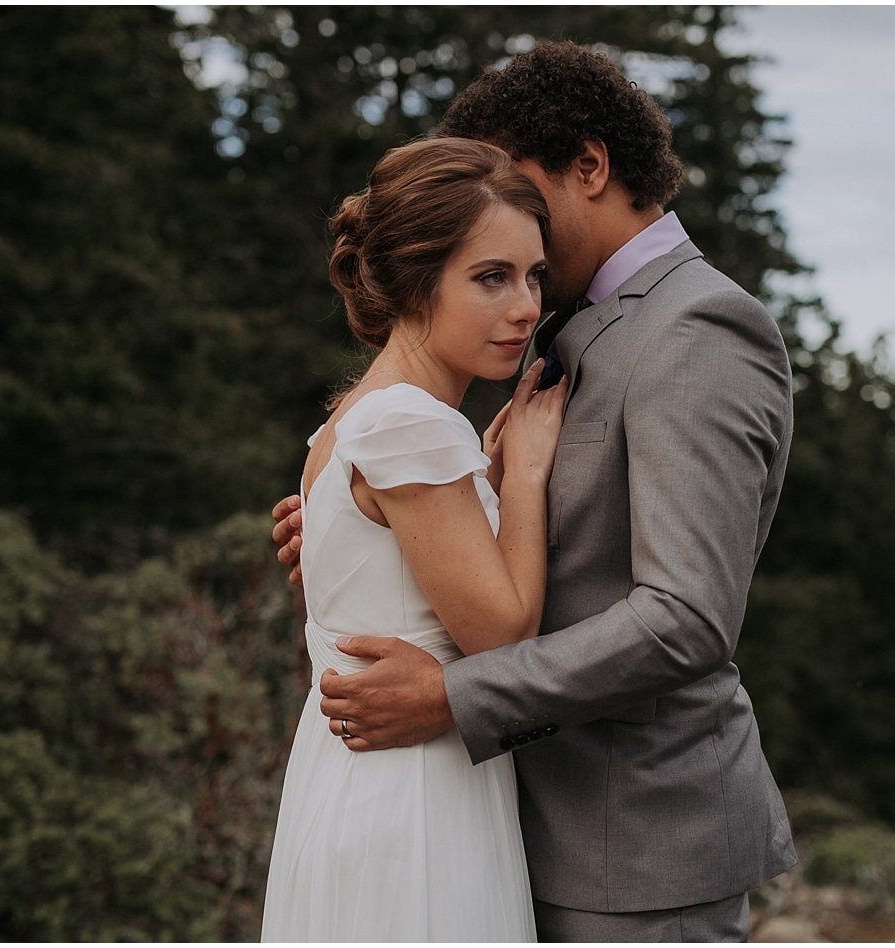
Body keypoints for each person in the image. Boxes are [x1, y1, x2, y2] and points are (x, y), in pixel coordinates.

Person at [272, 41, 797, 941]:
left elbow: (687, 620)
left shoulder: (699, 329)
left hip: (632, 849)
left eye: (519, 189)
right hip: (497, 826)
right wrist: (365, 532)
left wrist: (455, 697)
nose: (512, 243)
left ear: (589, 165)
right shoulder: (554, 321)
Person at [260, 136, 572, 942]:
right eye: (492, 277)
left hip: (350, 784)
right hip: (417, 800)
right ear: (414, 279)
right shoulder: (411, 423)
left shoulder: (351, 418)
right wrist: (527, 476)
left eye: (535, 275)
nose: (527, 307)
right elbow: (504, 635)